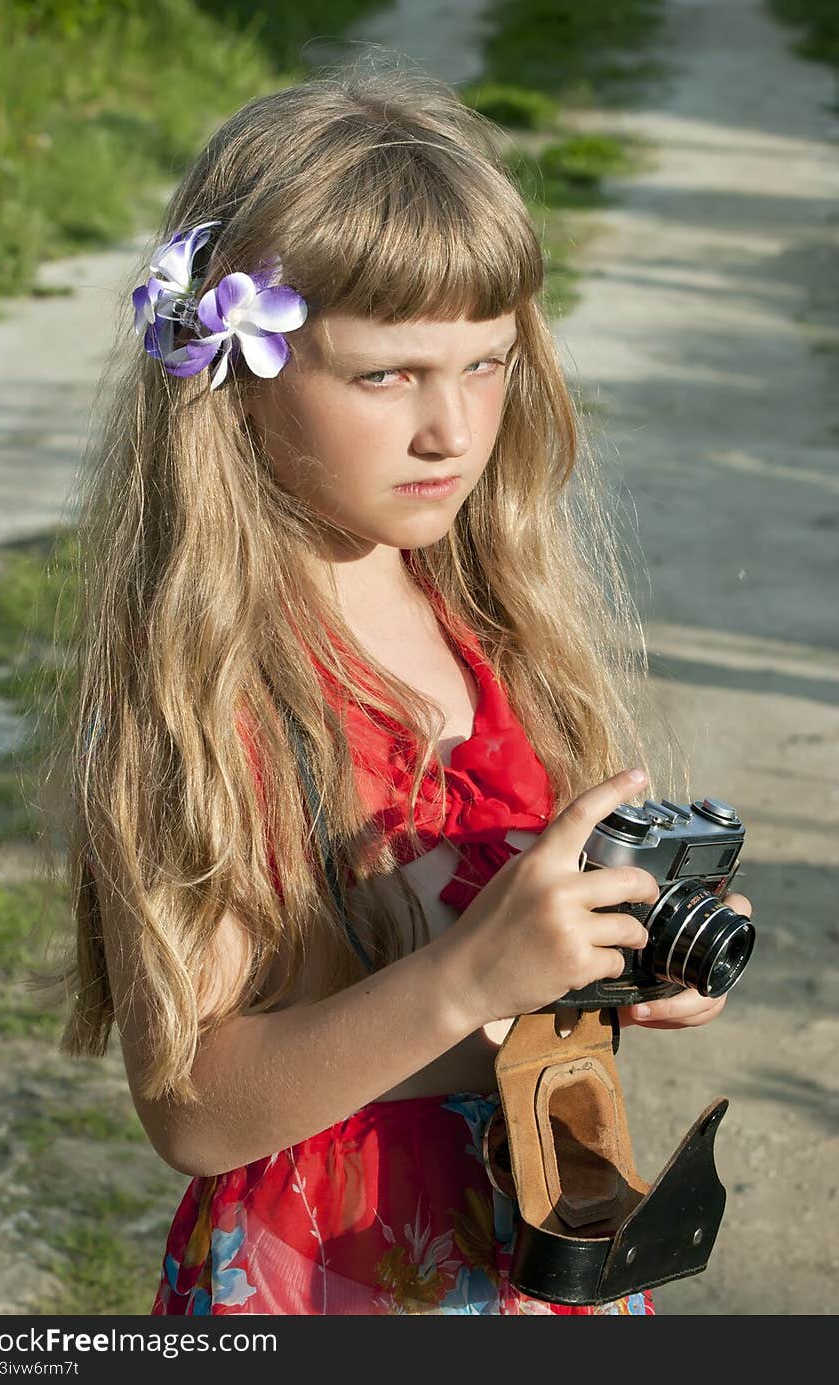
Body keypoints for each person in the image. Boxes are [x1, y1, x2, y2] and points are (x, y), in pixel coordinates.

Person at [43, 57, 752, 1316]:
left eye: (486, 363)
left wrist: (609, 965)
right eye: (385, 376)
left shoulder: (496, 617)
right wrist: (468, 979)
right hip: (328, 1270)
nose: (453, 430)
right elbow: (194, 1110)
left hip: (539, 1227)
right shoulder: (207, 693)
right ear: (236, 380)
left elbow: (508, 976)